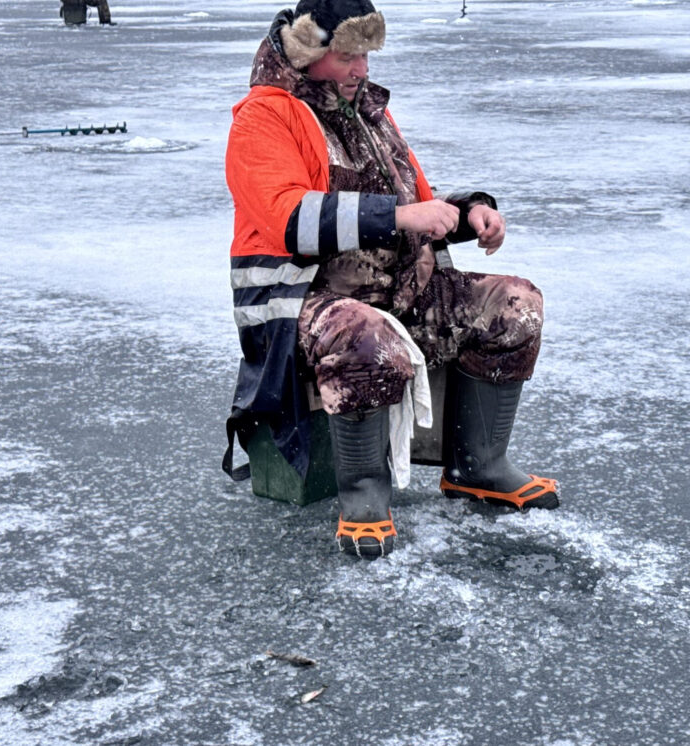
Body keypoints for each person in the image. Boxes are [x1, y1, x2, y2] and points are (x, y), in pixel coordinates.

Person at [224, 0, 559, 559]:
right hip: (304, 302)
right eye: (347, 56)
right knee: (365, 337)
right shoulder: (264, 117)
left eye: (366, 56)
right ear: (307, 51)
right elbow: (289, 220)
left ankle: (479, 467)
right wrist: (400, 216)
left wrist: (468, 213)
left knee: (513, 305)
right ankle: (363, 494)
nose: (361, 69)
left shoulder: (369, 113)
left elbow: (415, 203)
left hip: (398, 289)